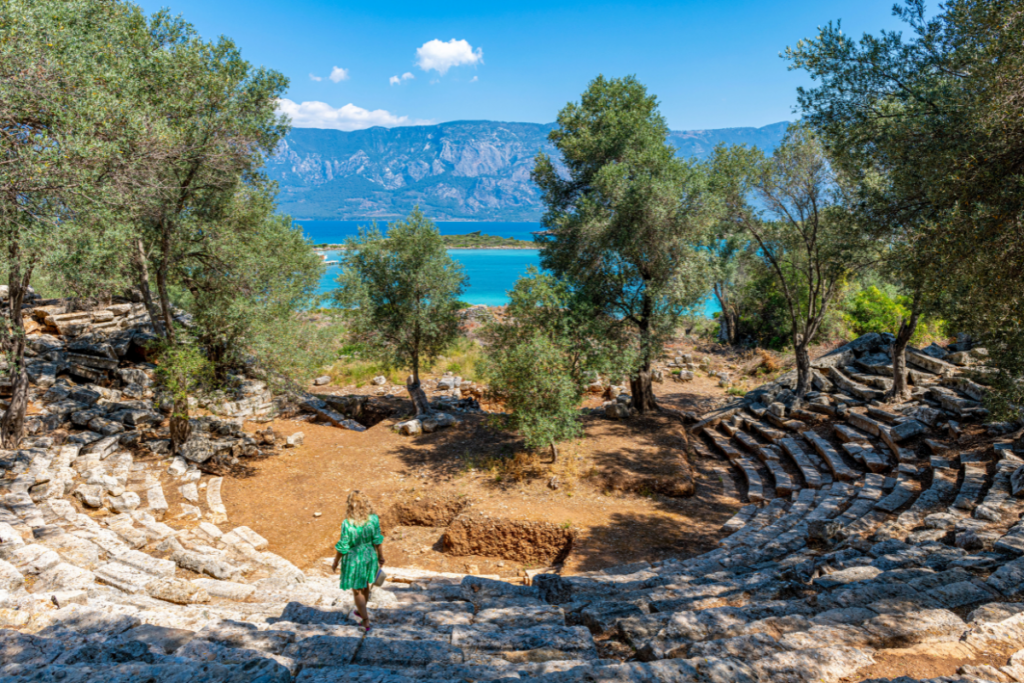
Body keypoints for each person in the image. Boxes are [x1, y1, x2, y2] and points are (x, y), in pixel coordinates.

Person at [331, 490, 385, 632]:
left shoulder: (347, 523)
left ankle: (365, 620)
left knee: (357, 591)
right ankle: (362, 611)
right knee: (365, 585)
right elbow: (377, 540)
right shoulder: (373, 519)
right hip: (369, 555)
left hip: (353, 558)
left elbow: (343, 546)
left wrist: (336, 561)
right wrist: (380, 556)